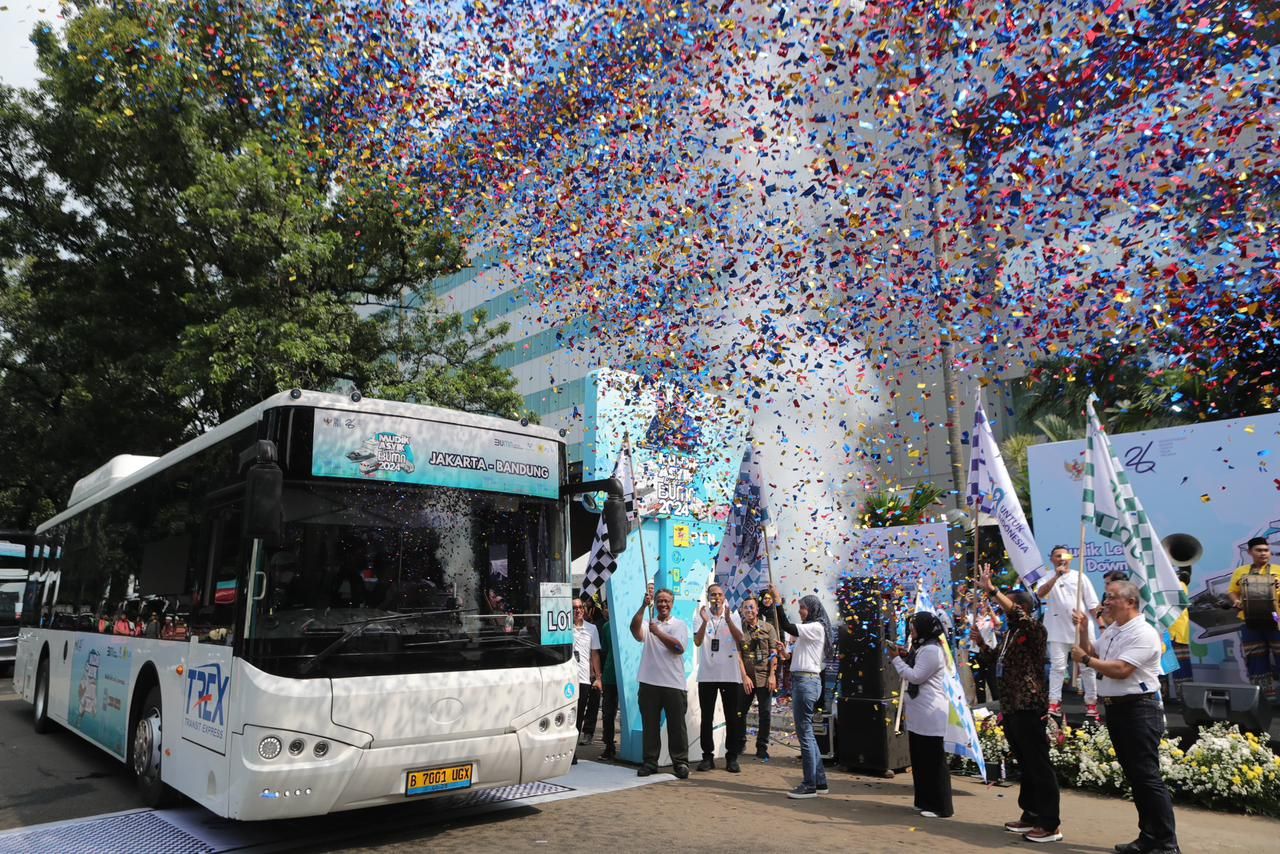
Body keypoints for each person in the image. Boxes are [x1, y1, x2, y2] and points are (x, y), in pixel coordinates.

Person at [1072, 580, 1179, 854]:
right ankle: (1149, 836)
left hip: (1140, 709)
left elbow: (1120, 669)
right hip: (1118, 709)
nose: (1106, 602)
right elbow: (1092, 651)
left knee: (1146, 776)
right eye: (1106, 597)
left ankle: (1166, 843)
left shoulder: (1143, 633)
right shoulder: (1114, 630)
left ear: (1130, 602)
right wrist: (1083, 631)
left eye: (1112, 597)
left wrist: (1085, 661)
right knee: (1136, 777)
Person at [977, 565, 1062, 843]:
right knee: (1025, 763)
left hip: (1028, 705)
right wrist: (982, 646)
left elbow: (1018, 615)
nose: (1004, 611)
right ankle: (1031, 815)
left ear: (1022, 607)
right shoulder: (1009, 635)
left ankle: (1050, 824)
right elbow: (994, 663)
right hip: (1012, 706)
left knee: (1038, 764)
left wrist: (993, 591)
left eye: (1009, 607)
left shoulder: (1034, 629)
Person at [889, 610, 953, 818]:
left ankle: (940, 806)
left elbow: (915, 676)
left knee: (933, 762)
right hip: (920, 712)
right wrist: (906, 656)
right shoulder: (923, 648)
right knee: (920, 760)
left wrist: (896, 660)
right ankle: (925, 801)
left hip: (930, 712)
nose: (912, 632)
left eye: (914, 628)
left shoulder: (932, 650)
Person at [630, 583, 690, 779]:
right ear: (654, 603)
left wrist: (659, 633)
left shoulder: (679, 625)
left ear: (672, 604)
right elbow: (634, 629)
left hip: (673, 684)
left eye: (667, 601)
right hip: (649, 683)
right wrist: (641, 607)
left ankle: (680, 763)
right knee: (650, 725)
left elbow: (678, 648)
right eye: (660, 601)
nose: (663, 604)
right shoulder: (648, 624)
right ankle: (650, 762)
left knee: (677, 727)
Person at [1038, 545, 1100, 720]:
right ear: (1051, 559)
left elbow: (1093, 604)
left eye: (1064, 555)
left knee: (1087, 666)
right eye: (1057, 556)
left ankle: (1091, 703)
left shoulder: (1080, 576)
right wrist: (1056, 576)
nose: (1061, 558)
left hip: (1081, 629)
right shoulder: (1047, 577)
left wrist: (1101, 624)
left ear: (1070, 558)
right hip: (1056, 629)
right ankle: (1054, 702)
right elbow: (1041, 594)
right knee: (1057, 667)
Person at [781, 594, 832, 799]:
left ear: (811, 609)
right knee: (807, 733)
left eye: (802, 608)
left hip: (806, 683)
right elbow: (802, 656)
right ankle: (819, 781)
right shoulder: (811, 629)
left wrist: (777, 603)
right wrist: (787, 656)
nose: (800, 611)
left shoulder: (815, 627)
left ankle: (809, 784)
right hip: (805, 681)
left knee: (805, 733)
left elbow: (786, 625)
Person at [693, 583, 747, 772]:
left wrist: (728, 620)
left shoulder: (732, 614)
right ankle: (707, 756)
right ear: (708, 597)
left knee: (732, 717)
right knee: (706, 718)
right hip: (707, 674)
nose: (716, 597)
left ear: (724, 597)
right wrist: (704, 621)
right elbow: (698, 641)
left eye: (720, 594)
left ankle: (731, 756)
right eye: (713, 594)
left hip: (729, 675)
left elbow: (741, 639)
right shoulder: (701, 613)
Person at [1227, 537, 1280, 702]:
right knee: (1256, 659)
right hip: (1249, 620)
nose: (1263, 553)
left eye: (1266, 550)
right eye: (1259, 550)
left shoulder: (1278, 570)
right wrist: (1236, 601)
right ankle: (1264, 701)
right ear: (1250, 552)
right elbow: (1232, 591)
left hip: (1275, 618)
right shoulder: (1240, 571)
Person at [733, 595, 779, 760]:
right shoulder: (739, 630)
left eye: (751, 607)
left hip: (765, 676)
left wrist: (772, 675)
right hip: (747, 678)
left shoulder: (768, 628)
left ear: (757, 610)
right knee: (740, 712)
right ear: (742, 611)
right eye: (745, 608)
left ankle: (762, 746)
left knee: (765, 713)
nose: (749, 611)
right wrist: (744, 676)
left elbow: (774, 653)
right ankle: (740, 743)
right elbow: (738, 654)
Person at [572, 596, 603, 753]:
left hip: (583, 678)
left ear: (584, 610)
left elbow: (595, 654)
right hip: (567, 679)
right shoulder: (563, 628)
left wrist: (598, 678)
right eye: (574, 608)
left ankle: (573, 750)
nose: (577, 610)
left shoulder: (592, 629)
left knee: (579, 715)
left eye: (580, 607)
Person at [969, 595, 1000, 705]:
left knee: (993, 682)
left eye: (984, 601)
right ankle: (982, 708)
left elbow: (998, 625)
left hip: (990, 653)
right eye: (979, 602)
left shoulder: (991, 616)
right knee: (979, 683)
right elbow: (963, 621)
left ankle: (998, 708)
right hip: (975, 653)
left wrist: (990, 610)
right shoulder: (972, 617)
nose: (981, 604)